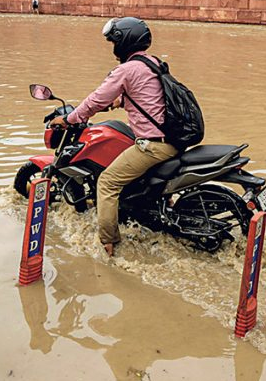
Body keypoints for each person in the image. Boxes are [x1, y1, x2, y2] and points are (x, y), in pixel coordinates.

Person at [49, 17, 178, 257]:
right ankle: (158, 205)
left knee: (107, 183)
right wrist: (120, 101)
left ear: (124, 41)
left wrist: (69, 119)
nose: (113, 47)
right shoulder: (153, 63)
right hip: (172, 140)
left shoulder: (126, 69)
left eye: (114, 42)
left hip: (153, 146)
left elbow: (95, 100)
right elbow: (150, 96)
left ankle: (109, 243)